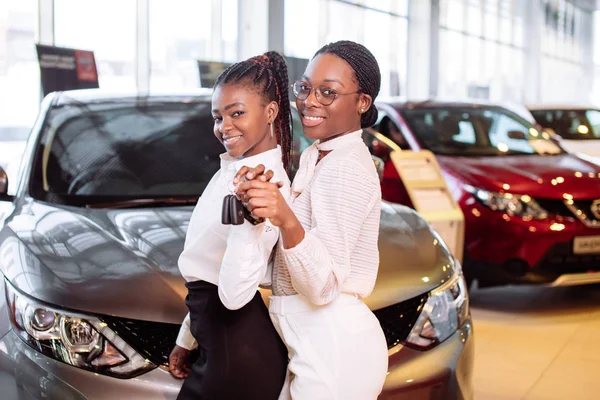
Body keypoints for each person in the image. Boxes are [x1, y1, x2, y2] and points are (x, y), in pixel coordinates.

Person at [235, 40, 388, 400]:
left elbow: (322, 287)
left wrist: (285, 217)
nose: (309, 101)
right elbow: (286, 267)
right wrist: (261, 208)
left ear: (361, 102)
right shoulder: (317, 155)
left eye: (328, 93)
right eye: (305, 88)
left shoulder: (346, 168)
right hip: (312, 343)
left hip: (335, 348)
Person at [168, 51, 292, 400]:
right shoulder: (232, 172)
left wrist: (249, 221)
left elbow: (235, 296)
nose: (224, 126)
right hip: (219, 343)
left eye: (237, 113)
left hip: (238, 358)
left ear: (270, 112)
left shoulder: (268, 185)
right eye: (217, 116)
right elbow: (206, 269)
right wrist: (186, 339)